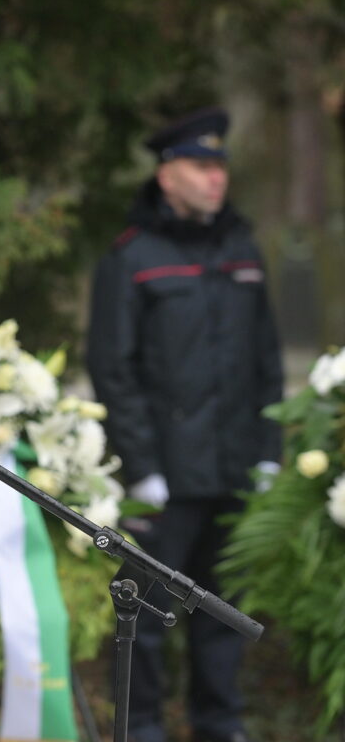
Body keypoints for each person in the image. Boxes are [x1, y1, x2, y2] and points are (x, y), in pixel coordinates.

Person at [86, 107, 284, 742]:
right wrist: (140, 467)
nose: (215, 178)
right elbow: (113, 368)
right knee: (144, 610)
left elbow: (266, 361)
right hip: (164, 477)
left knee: (223, 612)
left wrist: (270, 449)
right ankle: (141, 725)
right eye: (201, 166)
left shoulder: (242, 249)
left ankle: (219, 724)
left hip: (231, 468)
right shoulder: (133, 256)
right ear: (167, 174)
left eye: (220, 166)